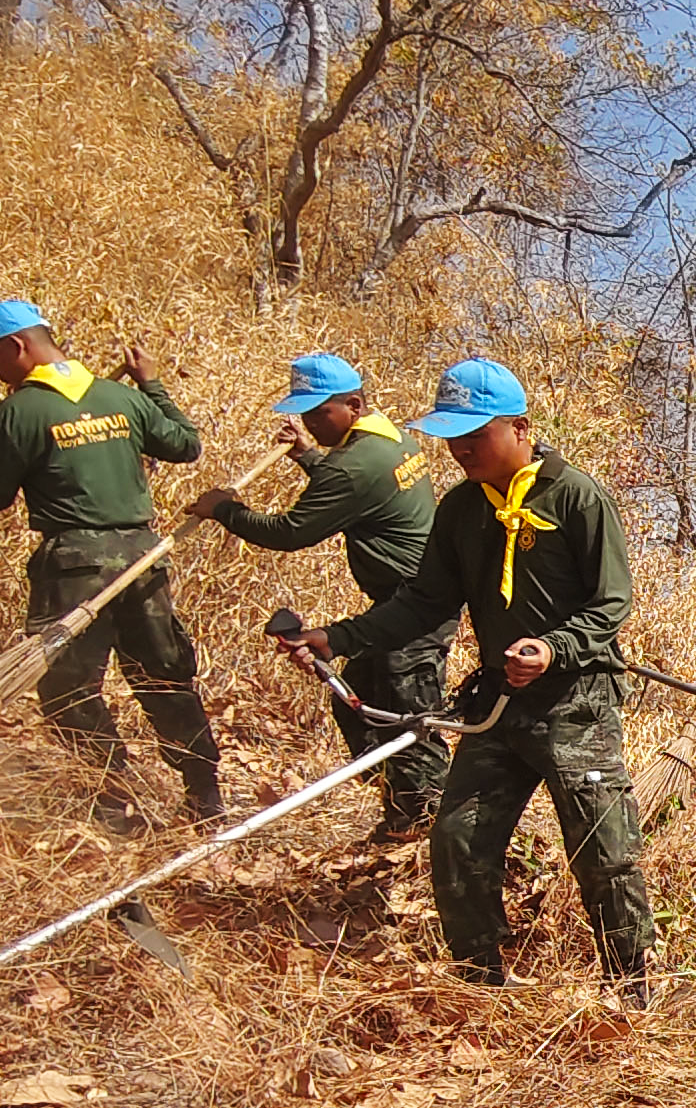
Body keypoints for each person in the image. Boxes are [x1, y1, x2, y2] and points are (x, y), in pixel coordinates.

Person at [273, 359, 653, 998]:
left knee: (602, 848)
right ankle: (480, 984)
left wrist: (554, 649)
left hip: (575, 702)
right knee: (456, 838)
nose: (461, 449)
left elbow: (612, 603)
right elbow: (423, 602)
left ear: (521, 427)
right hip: (498, 706)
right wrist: (336, 638)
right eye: (452, 436)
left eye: (475, 435)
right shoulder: (459, 509)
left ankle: (632, 986)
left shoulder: (576, 497)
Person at [0, 299, 224, 832]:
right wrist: (152, 387)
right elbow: (186, 446)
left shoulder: (17, 414)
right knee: (163, 676)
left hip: (73, 568)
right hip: (143, 561)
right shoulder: (122, 398)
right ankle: (206, 799)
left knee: (67, 688)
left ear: (16, 347)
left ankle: (115, 804)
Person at [196, 352, 445, 840]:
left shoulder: (351, 465)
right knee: (355, 702)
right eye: (305, 414)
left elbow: (290, 533)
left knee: (408, 716)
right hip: (404, 600)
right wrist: (308, 456)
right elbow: (355, 489)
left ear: (353, 403)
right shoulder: (387, 436)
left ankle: (429, 827)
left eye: (319, 412)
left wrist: (225, 510)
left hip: (415, 605)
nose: (312, 421)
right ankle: (401, 807)